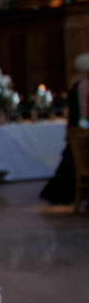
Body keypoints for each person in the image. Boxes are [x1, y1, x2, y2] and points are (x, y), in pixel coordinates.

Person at [40, 52, 89, 204]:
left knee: (72, 160)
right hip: (80, 126)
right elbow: (83, 106)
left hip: (74, 125)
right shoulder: (84, 83)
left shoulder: (74, 81)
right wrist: (84, 122)